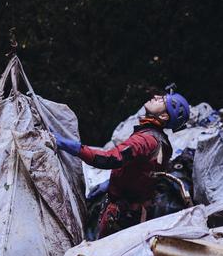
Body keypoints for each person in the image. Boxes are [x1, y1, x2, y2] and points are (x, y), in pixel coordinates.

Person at [54, 86, 190, 238]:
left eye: (162, 100)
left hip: (121, 215)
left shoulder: (146, 139)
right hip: (135, 214)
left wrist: (72, 147)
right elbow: (145, 173)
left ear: (164, 116)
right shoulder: (163, 142)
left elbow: (109, 159)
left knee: (103, 255)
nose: (156, 96)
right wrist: (114, 182)